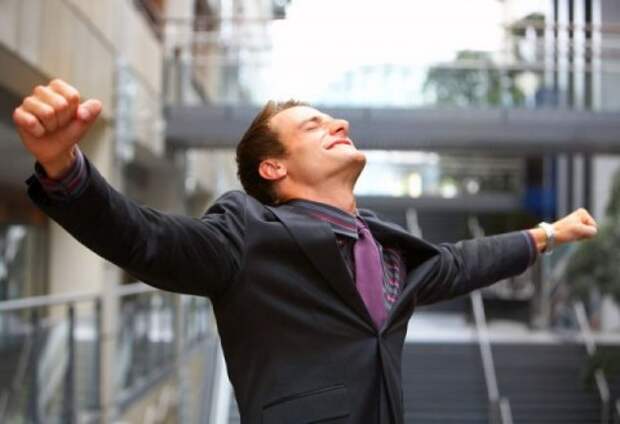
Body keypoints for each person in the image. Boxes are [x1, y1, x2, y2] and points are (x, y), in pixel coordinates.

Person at [13, 79, 598, 424]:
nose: (338, 123)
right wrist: (65, 169)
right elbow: (149, 238)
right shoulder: (247, 230)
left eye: (331, 118)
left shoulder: (389, 248)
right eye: (314, 125)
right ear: (274, 168)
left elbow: (463, 261)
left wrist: (547, 234)